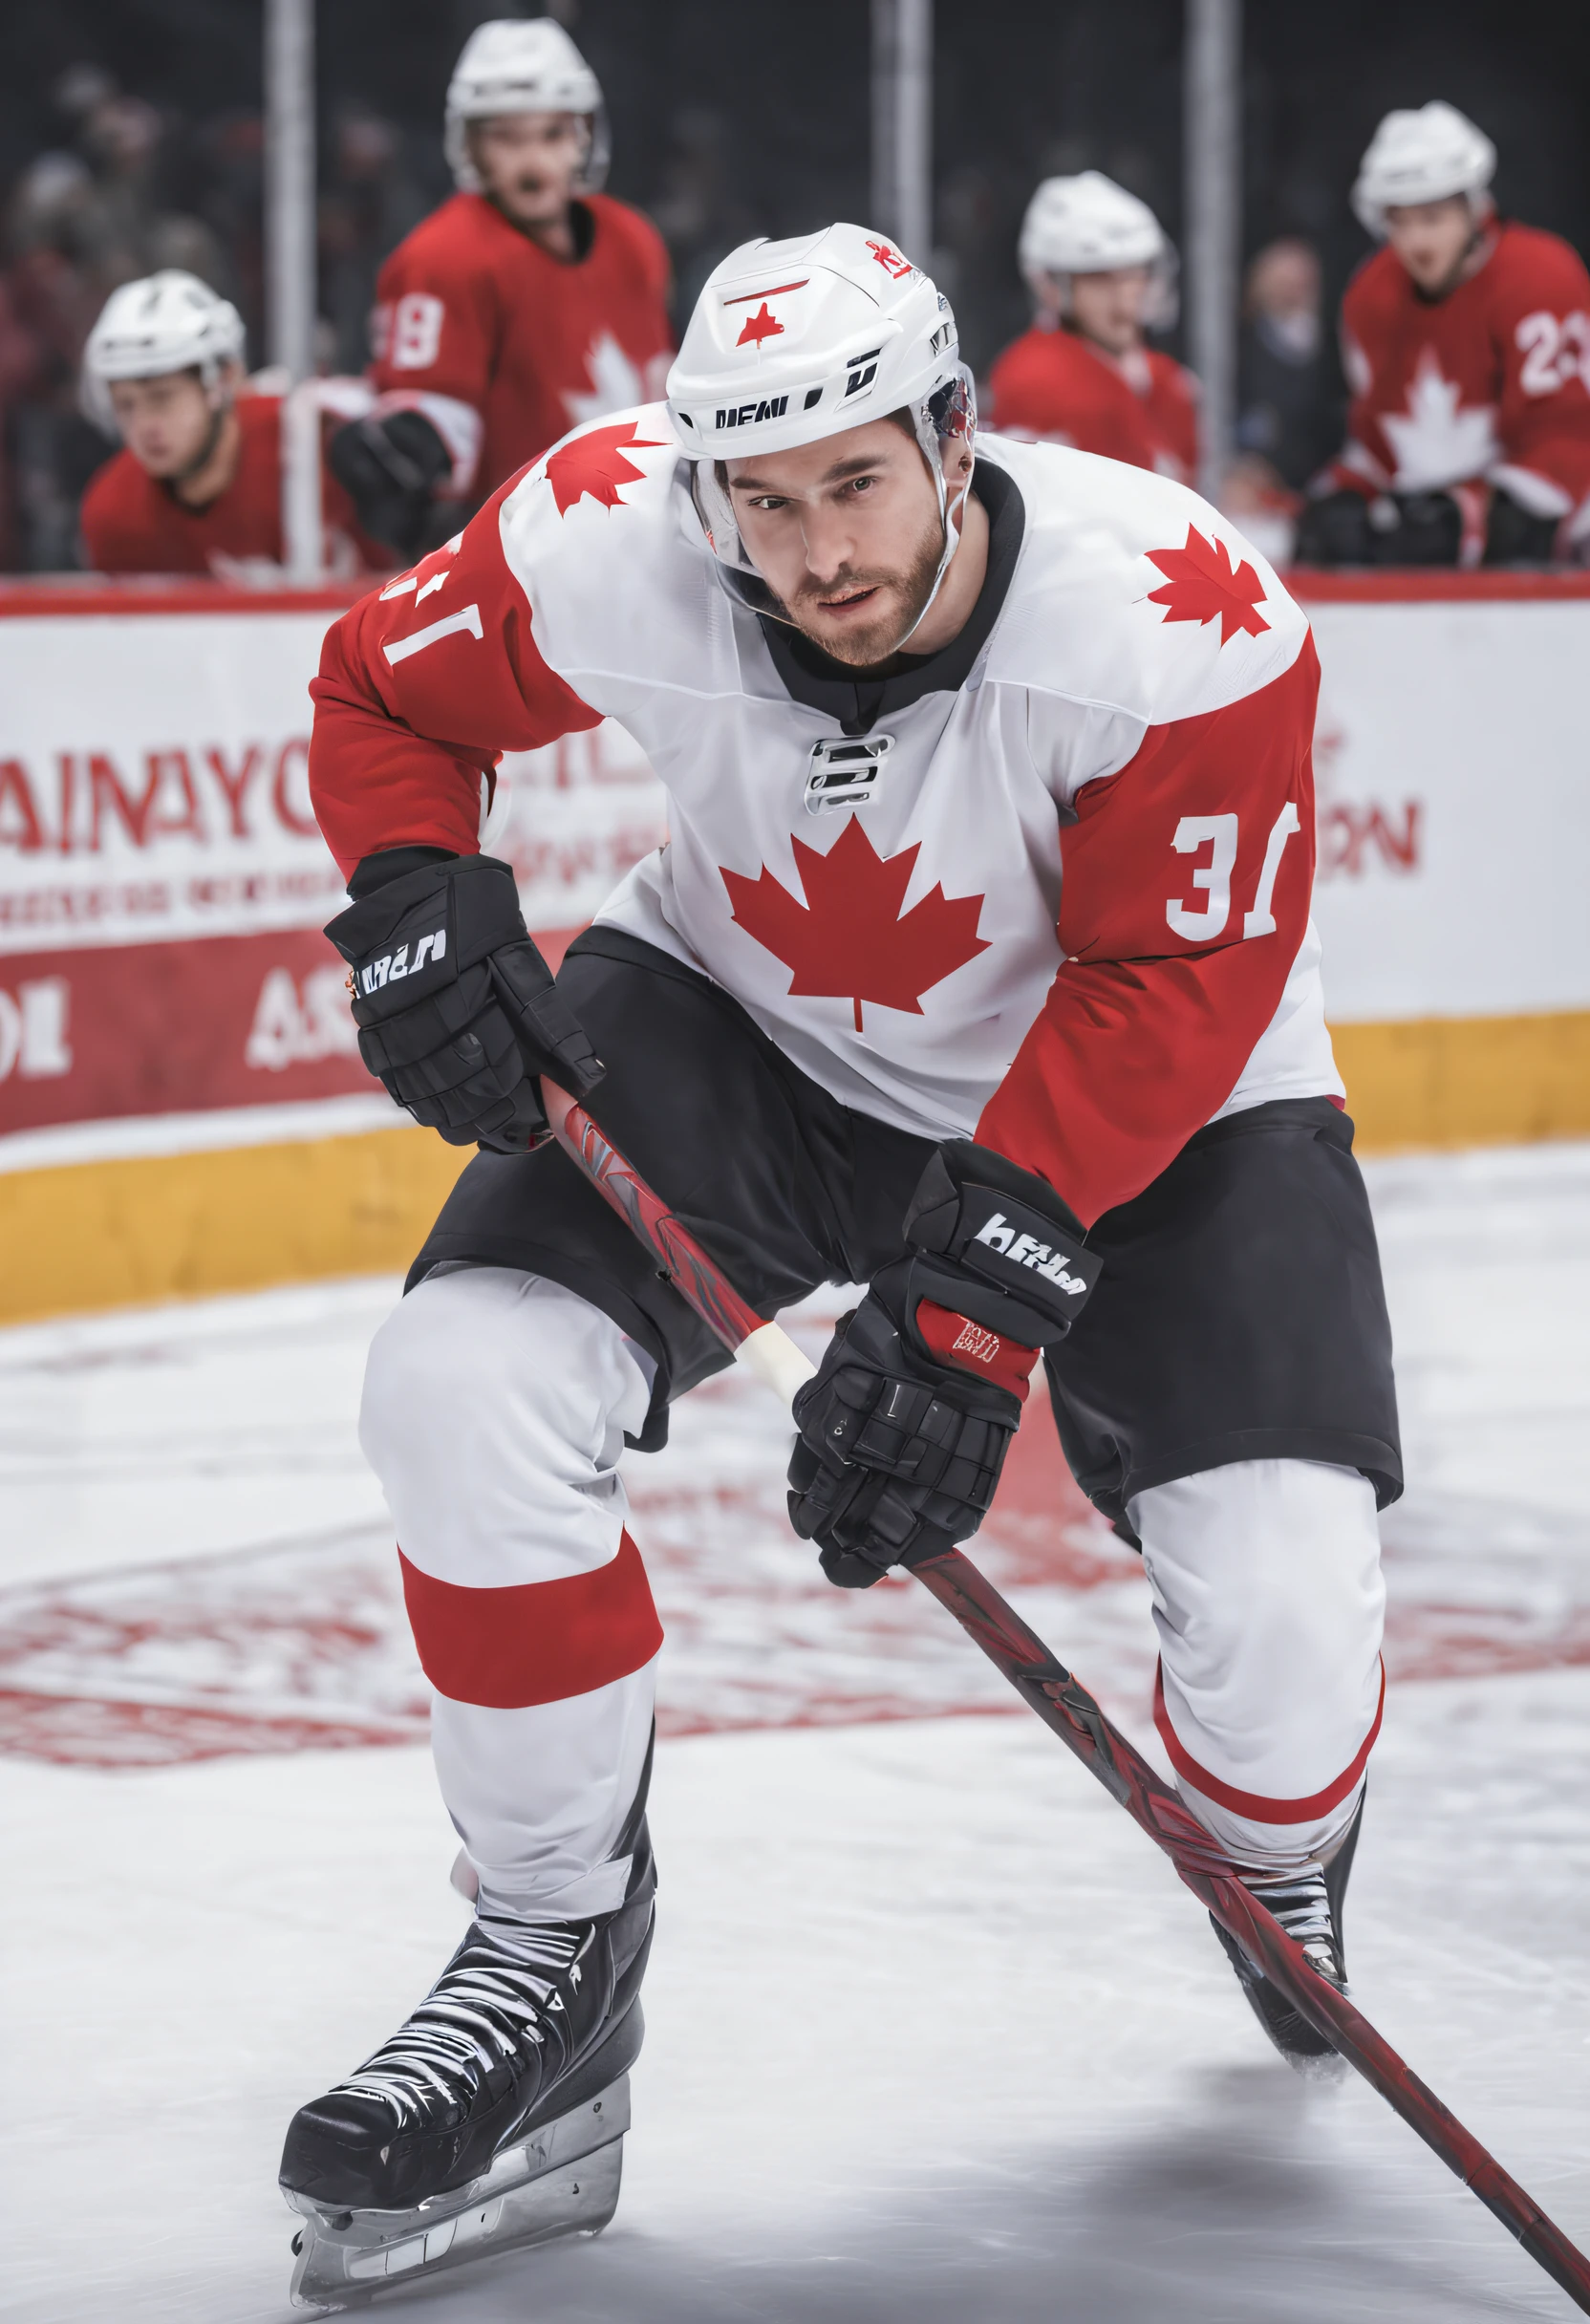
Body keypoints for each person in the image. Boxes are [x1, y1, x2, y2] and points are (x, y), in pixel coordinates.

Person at [279, 224, 1398, 2301]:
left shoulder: (1178, 618)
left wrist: (974, 1309)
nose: (807, 552)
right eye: (762, 501)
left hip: (1154, 1082)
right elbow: (378, 687)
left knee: (1278, 1615)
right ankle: (549, 1951)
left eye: (856, 483)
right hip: (753, 1020)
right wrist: (416, 888)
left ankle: (1283, 1844)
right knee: (461, 1380)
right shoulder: (617, 523)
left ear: (958, 435)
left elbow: (1176, 976)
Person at [328, 18, 675, 563]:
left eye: (552, 135)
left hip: (644, 535)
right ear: (472, 145)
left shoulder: (634, 239)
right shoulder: (441, 258)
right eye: (508, 138)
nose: (533, 161)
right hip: (518, 557)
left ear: (584, 135)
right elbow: (433, 429)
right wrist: (410, 451)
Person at [1298, 101, 1590, 566]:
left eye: (1432, 218)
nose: (1416, 243)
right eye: (1400, 221)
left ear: (1474, 209)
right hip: (1430, 530)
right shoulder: (1370, 296)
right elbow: (1378, 440)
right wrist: (1345, 496)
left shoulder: (1539, 277)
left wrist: (1476, 515)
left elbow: (1566, 440)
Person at [77, 270, 382, 577]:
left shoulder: (318, 439)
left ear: (223, 380)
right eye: (126, 405)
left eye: (162, 398)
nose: (143, 425)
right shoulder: (114, 515)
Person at [986, 171, 1199, 484]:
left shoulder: (1170, 381)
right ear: (1053, 286)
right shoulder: (1032, 378)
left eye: (1134, 274)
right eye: (1100, 278)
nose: (1125, 297)